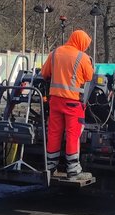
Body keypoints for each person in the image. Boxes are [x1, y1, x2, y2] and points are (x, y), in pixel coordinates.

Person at [41, 29, 95, 180]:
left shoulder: (55, 53)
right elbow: (89, 76)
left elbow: (44, 73)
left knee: (54, 132)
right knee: (73, 135)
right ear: (81, 42)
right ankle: (73, 170)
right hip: (73, 103)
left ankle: (50, 166)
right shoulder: (82, 57)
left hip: (55, 101)